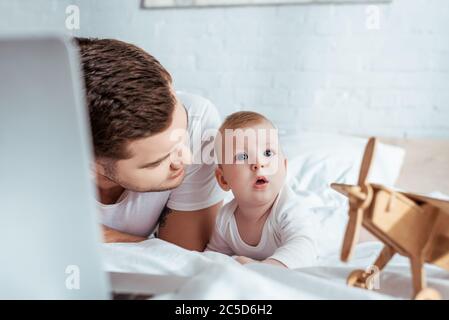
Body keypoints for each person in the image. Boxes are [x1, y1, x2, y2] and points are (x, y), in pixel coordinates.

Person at [76, 37, 225, 251]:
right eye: (158, 161)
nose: (187, 158)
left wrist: (108, 237)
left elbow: (183, 257)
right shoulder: (35, 161)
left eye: (181, 136)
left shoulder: (198, 119)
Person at [206, 111, 319, 268]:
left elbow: (304, 247)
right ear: (224, 180)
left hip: (322, 228)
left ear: (284, 167)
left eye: (267, 153)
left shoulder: (289, 209)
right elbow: (212, 257)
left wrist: (263, 268)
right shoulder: (225, 220)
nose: (258, 163)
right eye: (242, 157)